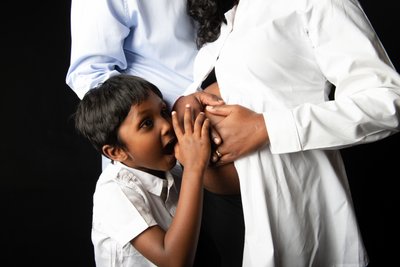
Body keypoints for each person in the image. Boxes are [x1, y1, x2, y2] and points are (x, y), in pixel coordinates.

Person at [175, 0, 400, 266]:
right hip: (212, 214)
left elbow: (388, 103)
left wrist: (267, 127)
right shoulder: (232, 16)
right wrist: (188, 99)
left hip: (283, 211)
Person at [66, 0, 246, 266]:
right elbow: (92, 77)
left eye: (161, 115)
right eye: (150, 122)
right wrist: (177, 114)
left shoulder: (169, 180)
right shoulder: (117, 192)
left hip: (187, 157)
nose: (163, 124)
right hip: (167, 153)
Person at [73, 74, 211, 266]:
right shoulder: (113, 191)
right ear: (117, 151)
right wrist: (195, 169)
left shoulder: (176, 170)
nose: (165, 126)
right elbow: (173, 261)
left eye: (163, 112)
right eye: (146, 123)